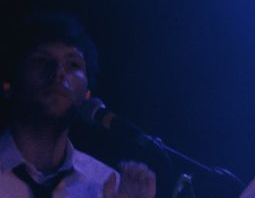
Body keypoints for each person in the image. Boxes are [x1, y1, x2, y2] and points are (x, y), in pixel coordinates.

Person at [1, 14, 155, 198]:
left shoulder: (106, 183)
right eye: (41, 61)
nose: (58, 72)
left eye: (72, 64)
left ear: (87, 95)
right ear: (8, 85)